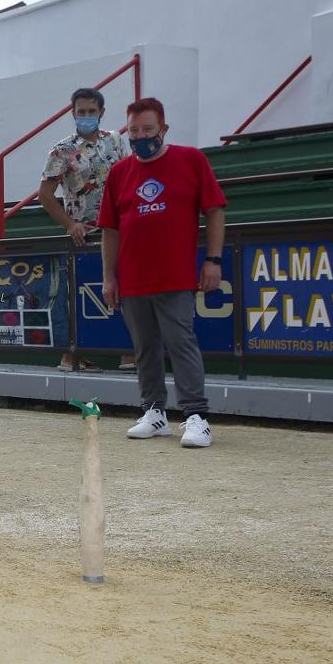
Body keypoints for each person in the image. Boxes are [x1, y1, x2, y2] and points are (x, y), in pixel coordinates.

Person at [97, 97, 227, 449]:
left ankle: (196, 416)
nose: (141, 136)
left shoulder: (191, 160)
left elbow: (214, 211)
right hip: (133, 279)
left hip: (175, 276)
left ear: (163, 129)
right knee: (144, 349)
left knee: (181, 343)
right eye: (134, 130)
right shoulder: (120, 172)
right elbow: (110, 230)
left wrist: (213, 260)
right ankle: (154, 411)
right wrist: (109, 276)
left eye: (148, 129)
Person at [38, 87, 133, 373]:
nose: (87, 116)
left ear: (102, 112)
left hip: (119, 230)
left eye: (92, 111)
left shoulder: (116, 141)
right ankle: (73, 356)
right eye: (82, 112)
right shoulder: (62, 150)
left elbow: (130, 175)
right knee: (79, 294)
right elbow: (45, 194)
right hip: (85, 233)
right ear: (73, 113)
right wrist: (70, 224)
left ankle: (129, 353)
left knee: (125, 289)